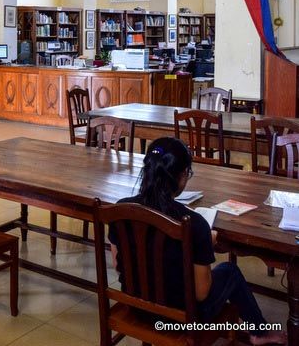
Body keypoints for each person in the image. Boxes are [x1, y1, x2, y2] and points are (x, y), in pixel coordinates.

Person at [109, 137, 287, 346]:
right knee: (230, 272)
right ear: (182, 176)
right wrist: (205, 243)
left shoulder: (120, 210)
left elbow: (117, 264)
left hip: (136, 307)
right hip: (180, 319)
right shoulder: (195, 224)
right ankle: (261, 332)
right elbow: (202, 293)